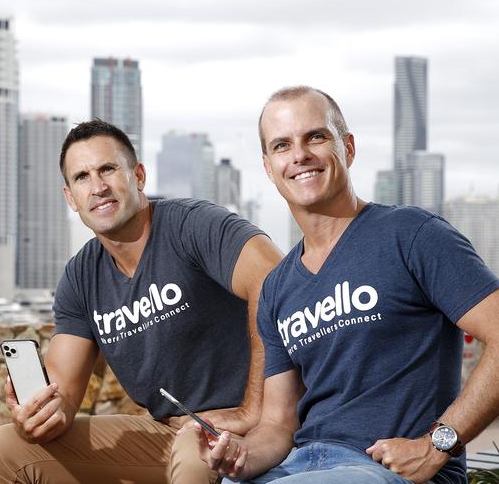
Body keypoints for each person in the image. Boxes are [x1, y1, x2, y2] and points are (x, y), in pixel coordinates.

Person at [194, 86, 499, 484]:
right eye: (282, 145)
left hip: (383, 471)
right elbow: (277, 426)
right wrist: (240, 457)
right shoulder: (278, 288)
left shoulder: (411, 235)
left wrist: (437, 444)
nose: (300, 155)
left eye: (315, 137)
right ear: (269, 168)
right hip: (298, 466)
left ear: (348, 147)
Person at [0, 119, 283, 484]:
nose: (98, 187)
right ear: (70, 197)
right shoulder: (81, 276)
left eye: (108, 169)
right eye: (82, 177)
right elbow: (63, 390)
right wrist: (42, 412)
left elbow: (273, 278)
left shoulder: (191, 226)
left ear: (138, 175)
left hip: (242, 428)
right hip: (168, 432)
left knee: (193, 451)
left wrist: (253, 408)